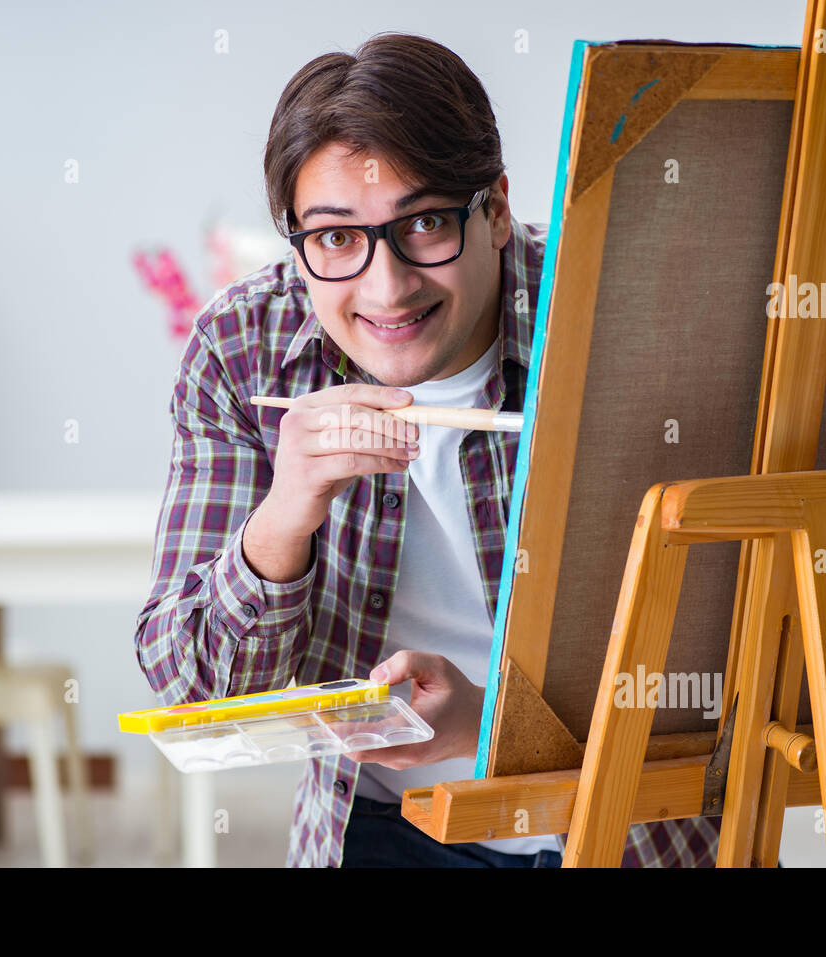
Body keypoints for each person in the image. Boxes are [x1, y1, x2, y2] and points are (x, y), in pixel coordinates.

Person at [135, 31, 720, 868]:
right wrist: (283, 518)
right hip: (377, 827)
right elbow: (195, 692)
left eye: (424, 222)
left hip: (624, 824)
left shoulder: (623, 325)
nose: (387, 286)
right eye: (336, 238)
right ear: (296, 239)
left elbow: (731, 677)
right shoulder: (243, 347)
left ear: (494, 210)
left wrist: (492, 726)